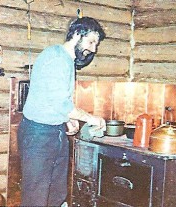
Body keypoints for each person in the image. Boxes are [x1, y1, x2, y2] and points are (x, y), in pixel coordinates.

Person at [17, 14, 106, 206]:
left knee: (56, 194)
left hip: (55, 133)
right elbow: (60, 103)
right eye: (91, 42)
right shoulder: (55, 57)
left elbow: (53, 100)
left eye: (96, 45)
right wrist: (90, 118)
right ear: (76, 34)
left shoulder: (67, 60)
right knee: (36, 197)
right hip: (38, 135)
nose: (93, 49)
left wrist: (66, 119)